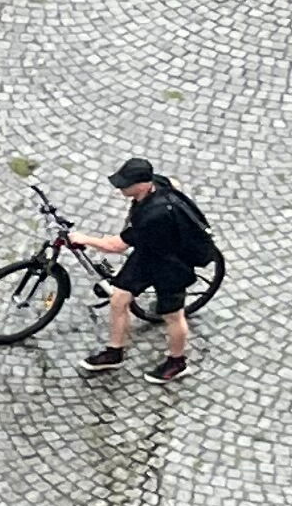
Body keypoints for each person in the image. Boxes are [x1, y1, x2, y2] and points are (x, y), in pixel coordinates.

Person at [78, 155, 218, 383]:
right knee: (119, 299)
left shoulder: (153, 216)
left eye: (126, 184)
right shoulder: (158, 182)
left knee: (173, 315)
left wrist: (83, 239)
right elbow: (174, 183)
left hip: (172, 264)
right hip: (149, 253)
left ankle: (177, 362)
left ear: (142, 185)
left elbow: (116, 246)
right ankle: (114, 352)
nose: (121, 188)